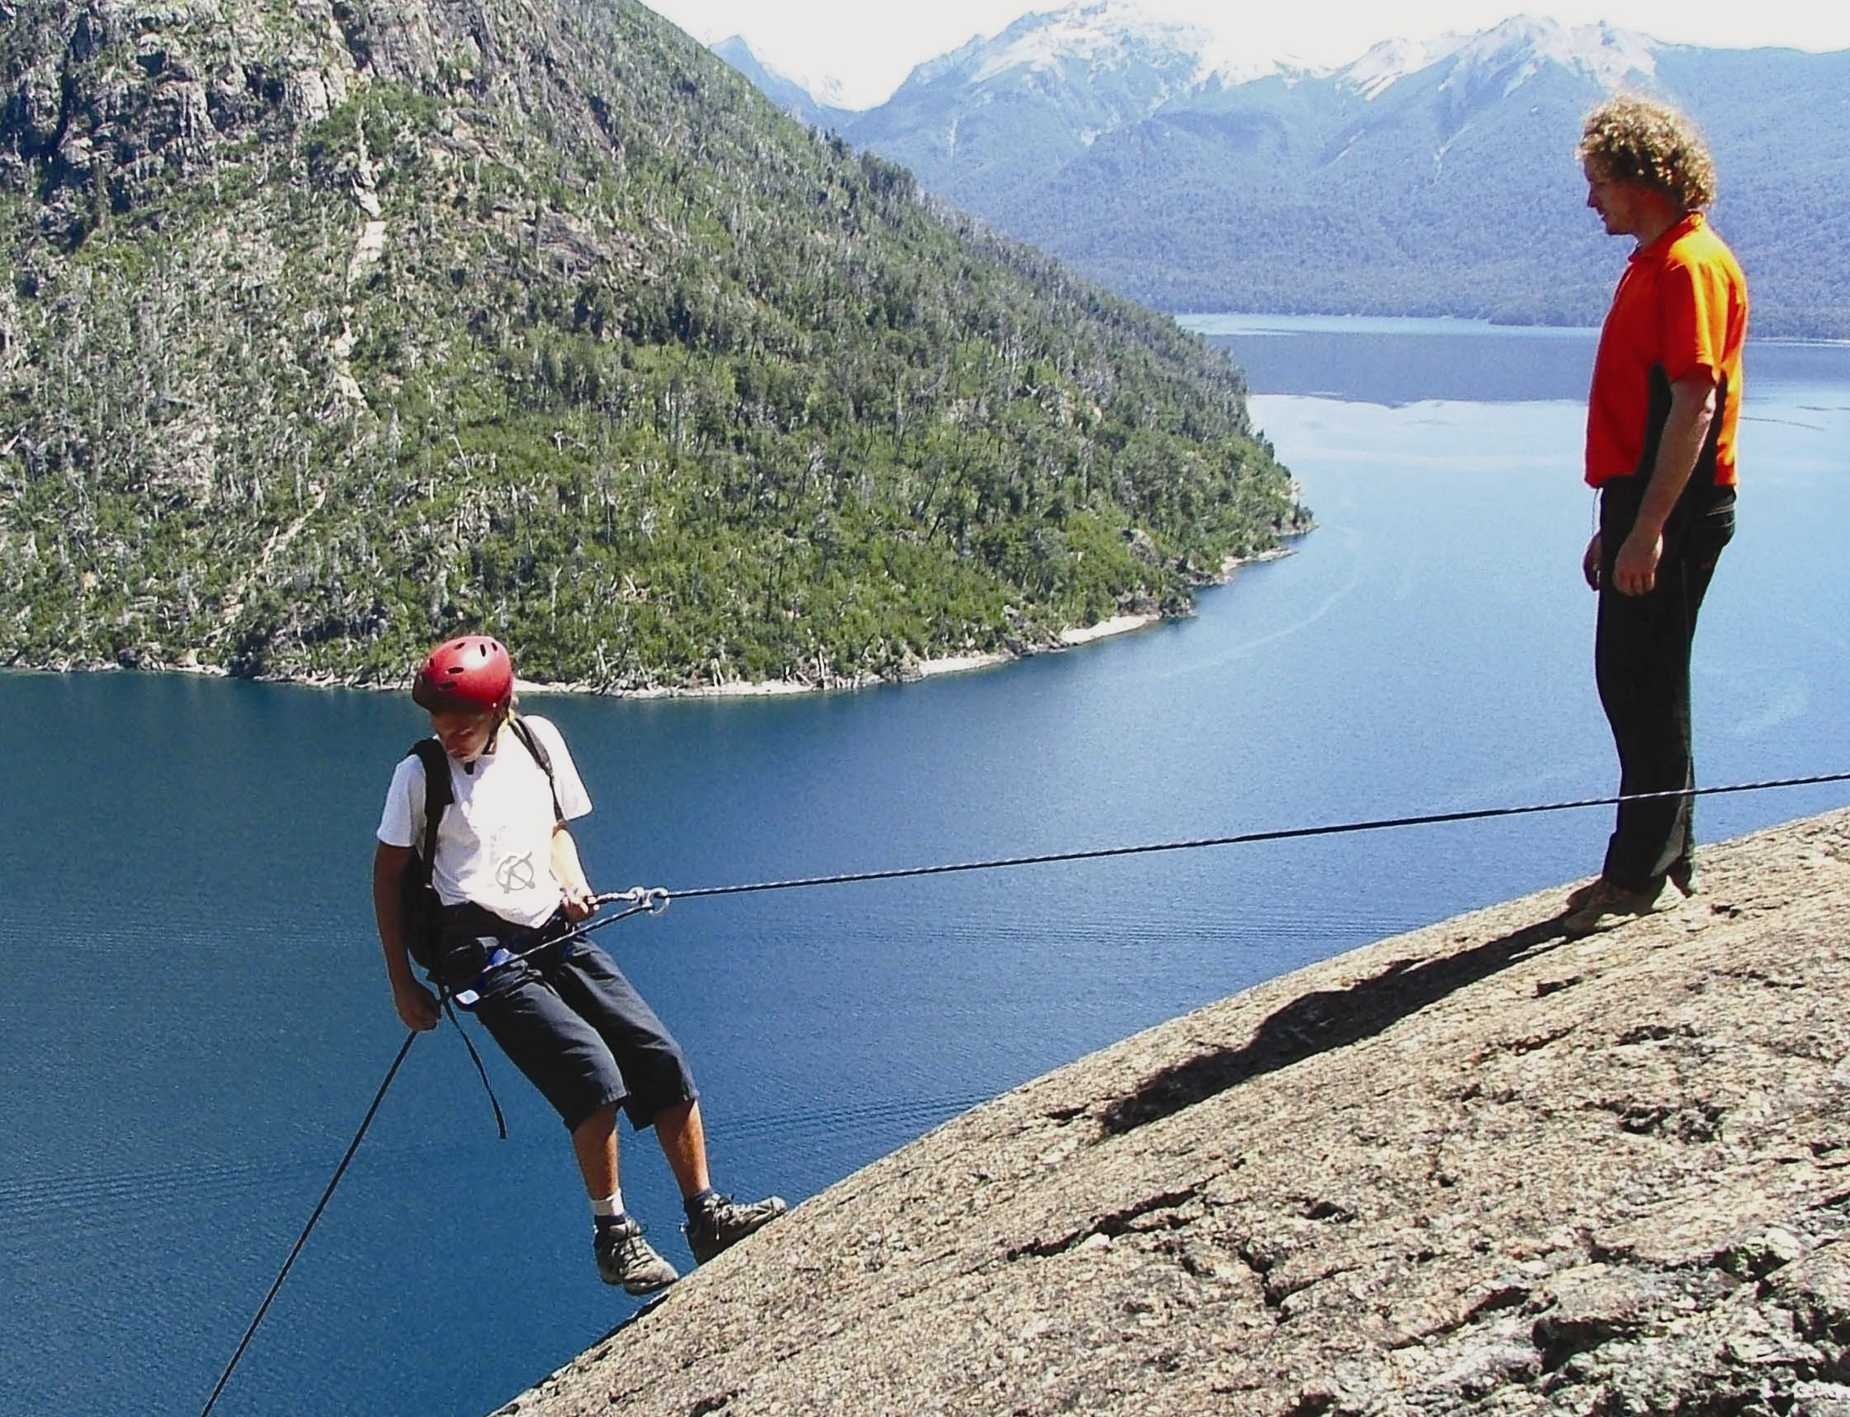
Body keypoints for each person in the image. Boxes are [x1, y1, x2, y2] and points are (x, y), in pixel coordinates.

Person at [371, 634, 785, 1293]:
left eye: (465, 724)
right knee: (591, 1073)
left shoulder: (539, 743)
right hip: (475, 953)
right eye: (440, 724)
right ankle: (614, 1236)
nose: (449, 735)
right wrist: (402, 983)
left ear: (503, 707)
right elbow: (388, 875)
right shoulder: (419, 774)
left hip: (550, 925)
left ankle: (706, 1215)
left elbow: (554, 830)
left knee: (656, 1054)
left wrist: (573, 880)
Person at [1565, 96, 1748, 936]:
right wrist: (1621, 516)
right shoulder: (1652, 261)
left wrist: (1650, 527)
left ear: (1642, 178)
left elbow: (1693, 403)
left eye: (1600, 181)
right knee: (1634, 675)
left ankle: (1638, 872)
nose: (1592, 198)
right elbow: (1648, 410)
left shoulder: (1689, 266)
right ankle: (1663, 853)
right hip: (1646, 498)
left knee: (1643, 681)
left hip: (1678, 502)